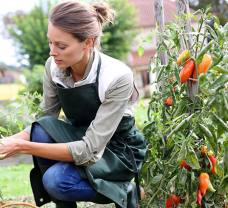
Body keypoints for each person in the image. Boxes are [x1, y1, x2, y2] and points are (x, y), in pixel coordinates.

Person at [0, 1, 147, 207]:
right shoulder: (54, 67)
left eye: (61, 46)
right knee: (40, 129)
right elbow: (46, 120)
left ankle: (123, 190)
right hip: (80, 135)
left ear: (88, 42)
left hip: (117, 151)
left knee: (55, 181)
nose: (52, 52)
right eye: (50, 43)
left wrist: (21, 147)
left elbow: (89, 150)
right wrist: (6, 142)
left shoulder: (116, 76)